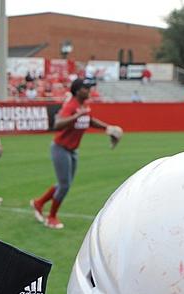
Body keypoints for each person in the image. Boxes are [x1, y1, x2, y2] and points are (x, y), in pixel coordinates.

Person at [30, 78, 118, 229]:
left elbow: (89, 120)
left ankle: (38, 203)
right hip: (60, 148)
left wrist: (108, 128)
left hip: (72, 150)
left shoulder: (84, 105)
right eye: (86, 88)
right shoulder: (71, 105)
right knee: (64, 185)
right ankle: (51, 217)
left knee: (64, 184)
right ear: (77, 90)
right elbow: (57, 124)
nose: (89, 90)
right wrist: (76, 116)